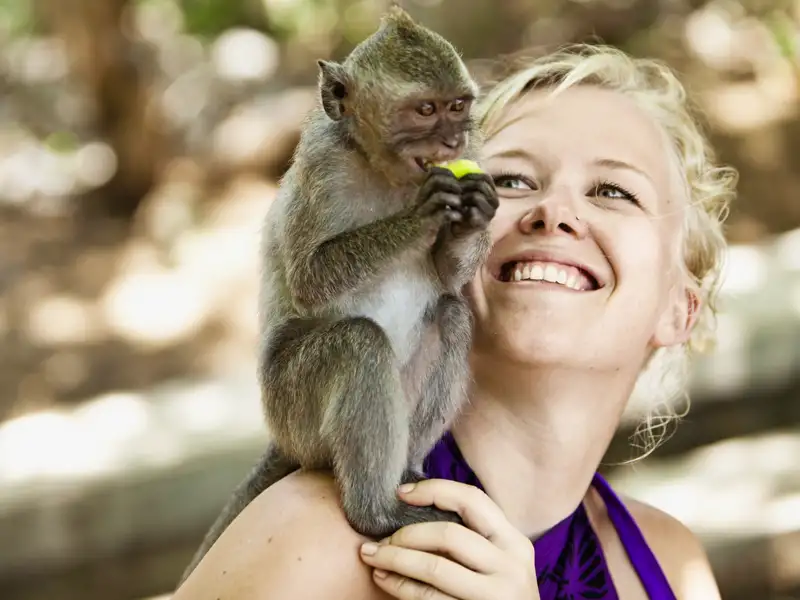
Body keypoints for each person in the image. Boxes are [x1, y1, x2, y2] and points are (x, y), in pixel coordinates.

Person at [173, 43, 737, 600]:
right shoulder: (313, 537)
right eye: (513, 180)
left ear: (678, 308)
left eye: (613, 191)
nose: (555, 213)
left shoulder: (666, 563)